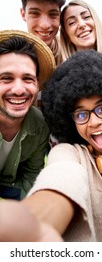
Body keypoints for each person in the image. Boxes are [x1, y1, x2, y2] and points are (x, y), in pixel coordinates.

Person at [0, 49, 102, 242]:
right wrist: (34, 226)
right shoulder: (67, 153)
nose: (94, 122)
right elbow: (60, 183)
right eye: (81, 114)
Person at [0, 29, 55, 200]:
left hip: (12, 187)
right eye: (6, 78)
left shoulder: (40, 125)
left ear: (38, 85)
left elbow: (32, 176)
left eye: (28, 79)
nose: (18, 90)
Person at [58, 0, 102, 64]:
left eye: (86, 17)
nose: (81, 24)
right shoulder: (64, 71)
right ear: (66, 35)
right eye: (72, 22)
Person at [19, 0, 66, 65]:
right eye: (35, 13)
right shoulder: (10, 55)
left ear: (60, 17)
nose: (45, 25)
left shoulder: (71, 52)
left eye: (53, 14)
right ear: (23, 14)